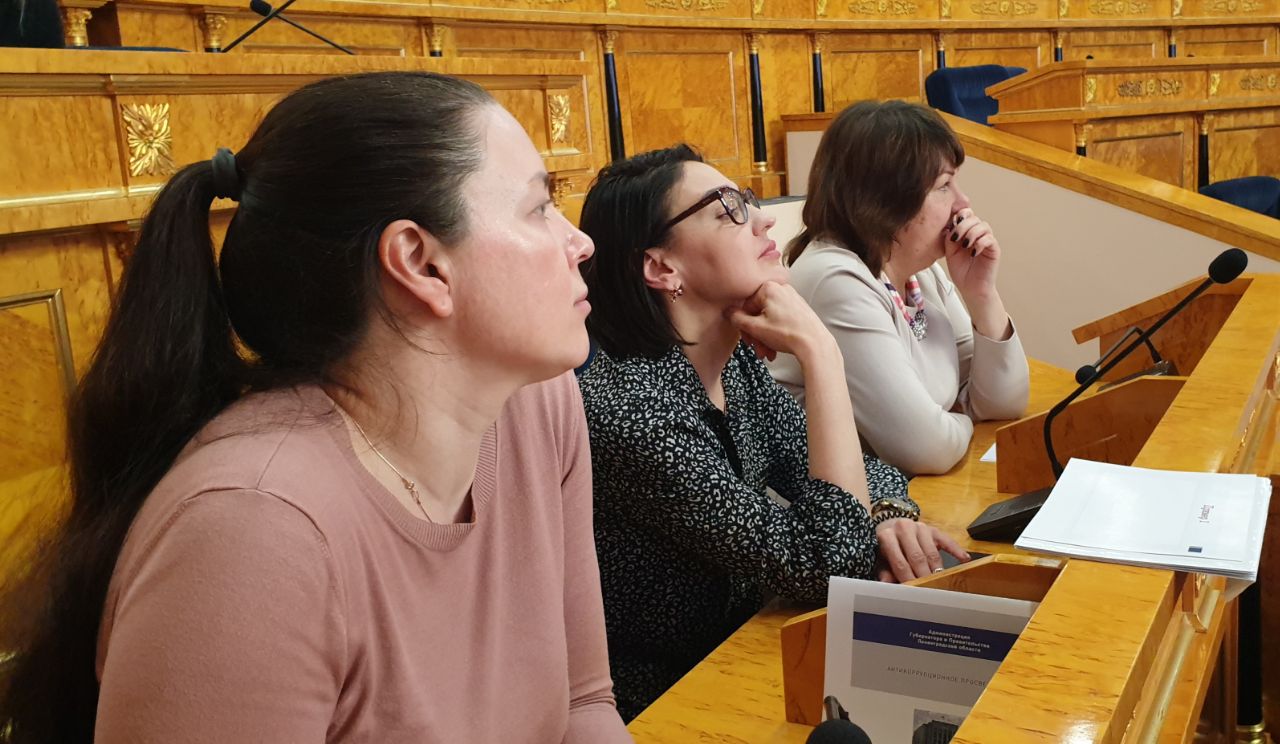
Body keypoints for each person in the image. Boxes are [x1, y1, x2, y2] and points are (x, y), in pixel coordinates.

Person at [0, 72, 630, 744]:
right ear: (420, 263)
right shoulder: (252, 535)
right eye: (539, 208)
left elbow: (582, 703)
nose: (580, 241)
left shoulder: (535, 403)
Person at [576, 144, 967, 721]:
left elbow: (850, 470)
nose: (761, 219)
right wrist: (821, 353)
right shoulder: (633, 412)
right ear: (661, 268)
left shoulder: (729, 362)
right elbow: (829, 562)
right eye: (726, 210)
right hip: (672, 703)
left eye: (748, 200)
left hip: (751, 650)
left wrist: (886, 514)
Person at [772, 100, 1030, 476]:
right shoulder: (834, 279)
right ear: (886, 201)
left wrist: (982, 295)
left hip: (911, 492)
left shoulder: (918, 271)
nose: (963, 202)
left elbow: (1004, 403)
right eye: (944, 186)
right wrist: (960, 415)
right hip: (844, 503)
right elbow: (926, 448)